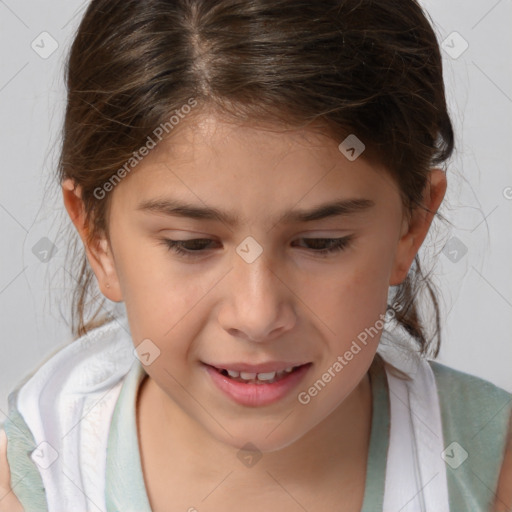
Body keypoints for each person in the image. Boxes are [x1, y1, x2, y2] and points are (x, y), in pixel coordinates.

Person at [1, 0, 511, 510]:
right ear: (97, 237)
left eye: (321, 243)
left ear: (411, 225)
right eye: (191, 244)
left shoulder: (490, 468)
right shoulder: (30, 479)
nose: (258, 315)